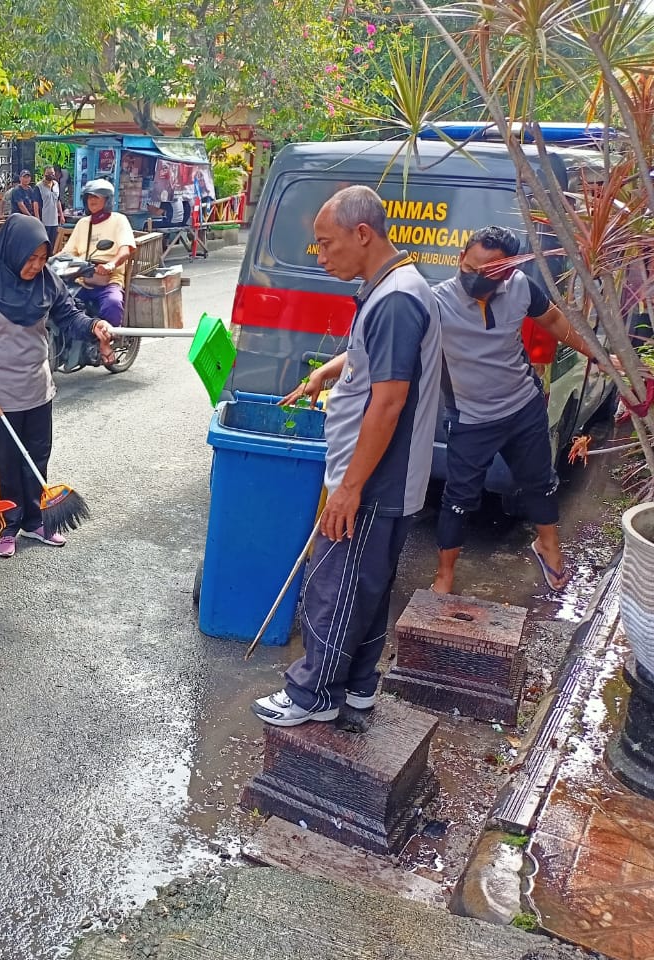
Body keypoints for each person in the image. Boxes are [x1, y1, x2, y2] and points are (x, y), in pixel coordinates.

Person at [252, 185, 442, 727]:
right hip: (387, 477)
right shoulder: (392, 288)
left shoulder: (397, 300)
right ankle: (357, 688)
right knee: (367, 585)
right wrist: (329, 370)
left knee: (334, 586)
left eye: (326, 243)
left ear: (363, 234)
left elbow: (388, 403)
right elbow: (374, 365)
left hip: (377, 478)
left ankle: (312, 695)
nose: (320, 255)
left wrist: (350, 487)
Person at [431, 225, 604, 594]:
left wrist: (597, 354)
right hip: (472, 419)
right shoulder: (435, 302)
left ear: (509, 271)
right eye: (470, 268)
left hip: (522, 407)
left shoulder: (522, 287)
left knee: (539, 484)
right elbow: (386, 345)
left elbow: (554, 320)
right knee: (459, 500)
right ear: (462, 257)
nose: (475, 278)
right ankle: (444, 576)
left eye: (487, 273)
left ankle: (548, 546)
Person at [0, 214, 114, 557]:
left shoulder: (48, 282)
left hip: (37, 387)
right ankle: (8, 525)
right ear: (13, 251)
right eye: (30, 258)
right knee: (4, 463)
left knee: (37, 457)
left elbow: (69, 316)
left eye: (43, 258)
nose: (36, 266)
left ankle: (35, 522)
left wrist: (94, 327)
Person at [63, 179, 136, 329]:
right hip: (82, 280)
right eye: (89, 197)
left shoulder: (119, 220)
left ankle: (105, 343)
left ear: (107, 200)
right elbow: (67, 252)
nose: (91, 200)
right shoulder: (83, 223)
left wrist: (111, 264)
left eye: (96, 197)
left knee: (113, 303)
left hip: (109, 281)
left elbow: (125, 249)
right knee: (59, 301)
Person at [38, 166, 62, 232]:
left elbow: (58, 200)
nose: (51, 174)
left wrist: (61, 215)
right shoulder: (39, 186)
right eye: (48, 173)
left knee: (54, 240)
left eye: (52, 172)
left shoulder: (56, 184)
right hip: (44, 220)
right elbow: (35, 203)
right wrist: (37, 219)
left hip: (54, 220)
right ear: (44, 174)